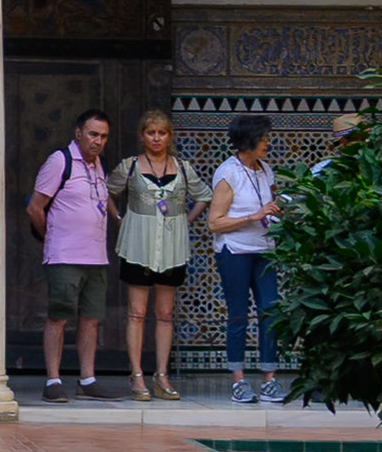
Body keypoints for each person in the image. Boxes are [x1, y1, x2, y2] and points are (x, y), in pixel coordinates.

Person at [27, 106, 115, 393]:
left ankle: (87, 378)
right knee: (59, 316)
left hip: (96, 258)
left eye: (103, 136)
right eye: (92, 134)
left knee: (90, 319)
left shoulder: (99, 164)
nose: (97, 141)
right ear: (78, 133)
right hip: (65, 256)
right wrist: (50, 237)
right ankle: (53, 379)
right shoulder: (60, 161)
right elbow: (35, 208)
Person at [116, 105, 195, 400]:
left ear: (169, 136)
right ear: (142, 136)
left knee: (164, 313)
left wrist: (185, 220)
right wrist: (119, 219)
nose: (157, 138)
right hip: (138, 246)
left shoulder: (183, 167)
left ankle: (161, 375)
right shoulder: (130, 166)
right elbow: (108, 191)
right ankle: (136, 375)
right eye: (151, 133)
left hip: (171, 248)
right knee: (136, 312)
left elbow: (203, 196)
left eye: (162, 133)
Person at [208, 120, 284, 404]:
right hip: (235, 250)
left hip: (264, 248)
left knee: (270, 311)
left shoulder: (265, 170)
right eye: (263, 138)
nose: (267, 143)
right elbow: (214, 223)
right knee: (238, 314)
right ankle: (238, 380)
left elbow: (271, 203)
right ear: (248, 140)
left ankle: (269, 378)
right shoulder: (228, 173)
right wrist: (252, 217)